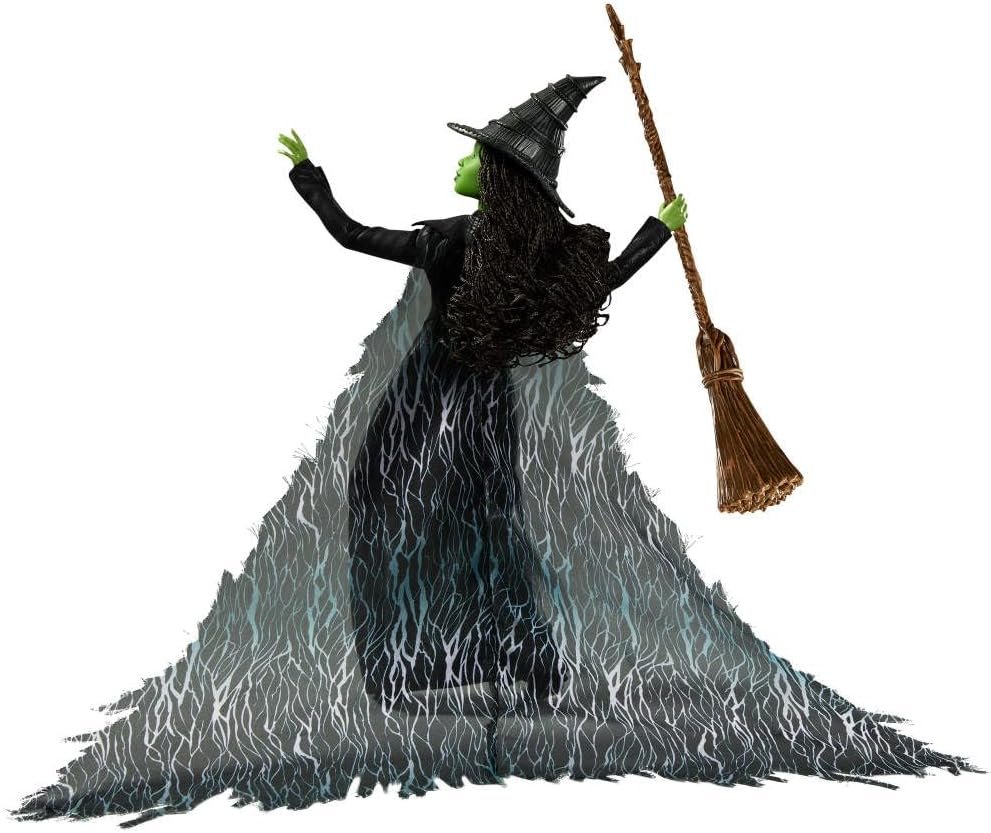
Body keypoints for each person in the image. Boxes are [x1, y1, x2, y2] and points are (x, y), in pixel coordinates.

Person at [12, 75, 975, 827]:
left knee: (396, 514)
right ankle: (518, 672)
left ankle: (416, 675)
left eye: (474, 156)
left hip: (420, 406)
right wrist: (660, 229)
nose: (462, 162)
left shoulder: (447, 240)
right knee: (483, 524)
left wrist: (309, 178)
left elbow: (351, 235)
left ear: (498, 179)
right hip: (484, 416)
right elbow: (607, 276)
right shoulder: (534, 255)